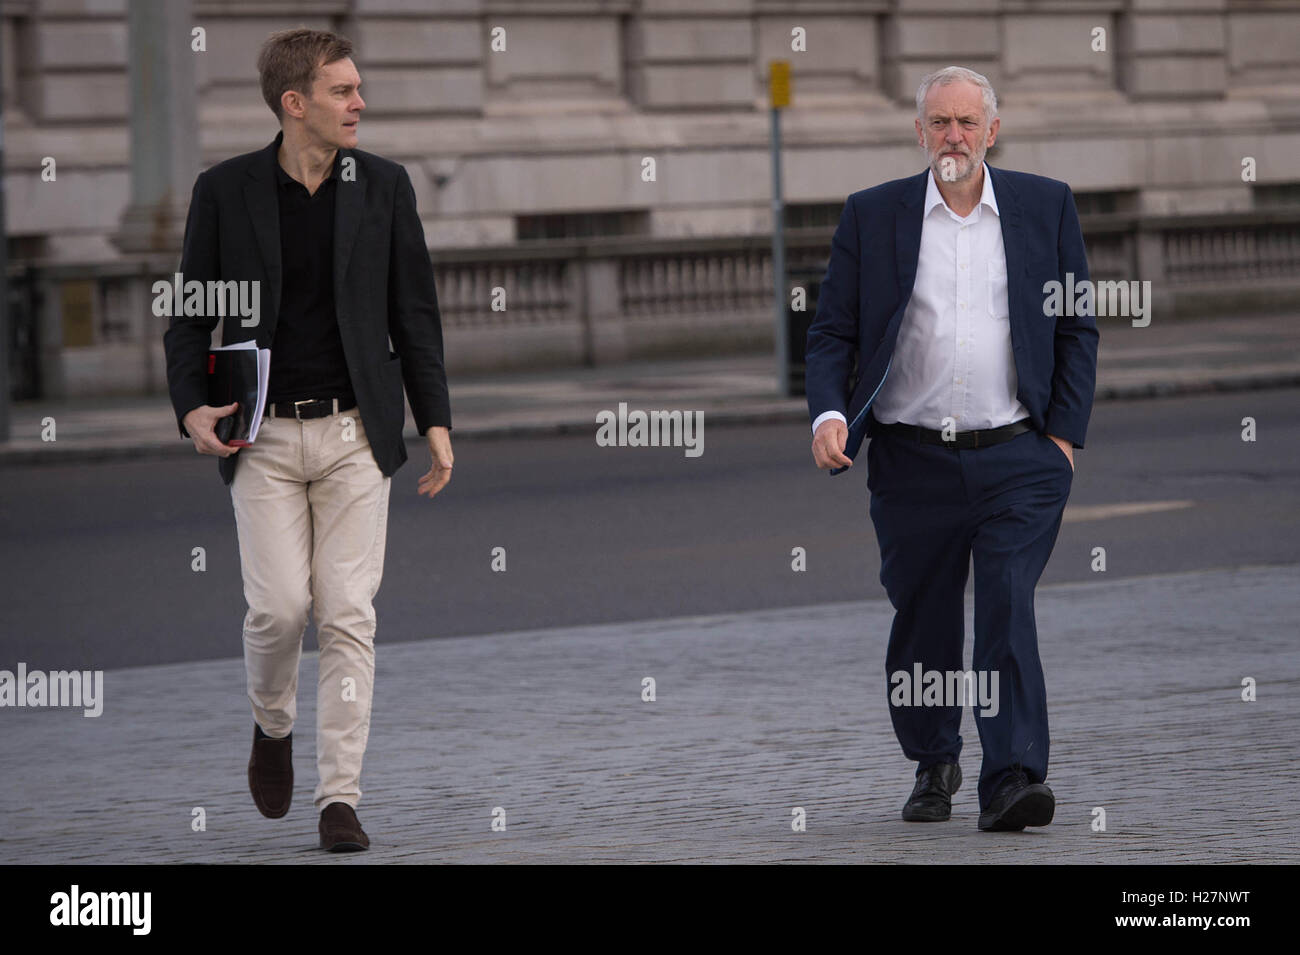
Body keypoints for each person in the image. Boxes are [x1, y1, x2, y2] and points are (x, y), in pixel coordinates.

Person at [162, 28, 454, 851]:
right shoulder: (225, 192)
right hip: (261, 438)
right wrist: (191, 408)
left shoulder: (386, 187)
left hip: (359, 432)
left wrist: (434, 419)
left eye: (358, 89)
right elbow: (190, 318)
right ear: (296, 105)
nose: (360, 103)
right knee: (279, 610)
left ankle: (339, 799)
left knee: (349, 613)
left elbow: (415, 312)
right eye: (342, 91)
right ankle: (272, 723)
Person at [805, 66, 1098, 831]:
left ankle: (1011, 777)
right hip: (910, 459)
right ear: (919, 133)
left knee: (1005, 603)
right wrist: (830, 415)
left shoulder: (1044, 206)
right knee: (924, 615)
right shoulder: (874, 217)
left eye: (968, 122)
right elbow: (833, 328)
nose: (954, 137)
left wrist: (1062, 438)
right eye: (940, 123)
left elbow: (1076, 326)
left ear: (992, 132)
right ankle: (934, 759)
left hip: (1017, 456)